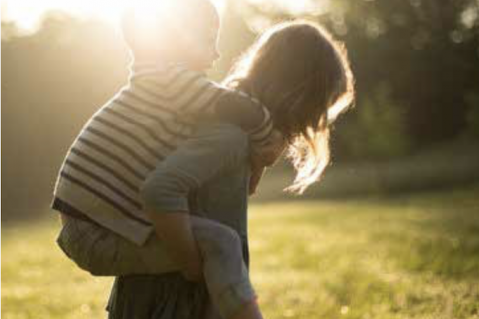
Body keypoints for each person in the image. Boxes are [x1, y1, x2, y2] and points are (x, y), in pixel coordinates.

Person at [106, 19, 355, 319]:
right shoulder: (228, 137)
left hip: (181, 294)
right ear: (297, 95)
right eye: (318, 108)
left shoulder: (237, 135)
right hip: (170, 300)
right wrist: (194, 267)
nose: (314, 124)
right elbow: (161, 191)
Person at [53, 0, 285, 318]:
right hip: (96, 233)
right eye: (208, 41)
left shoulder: (154, 84)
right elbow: (239, 107)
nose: (216, 54)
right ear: (177, 39)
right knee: (221, 242)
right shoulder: (169, 81)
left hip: (90, 228)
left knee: (212, 244)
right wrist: (266, 140)